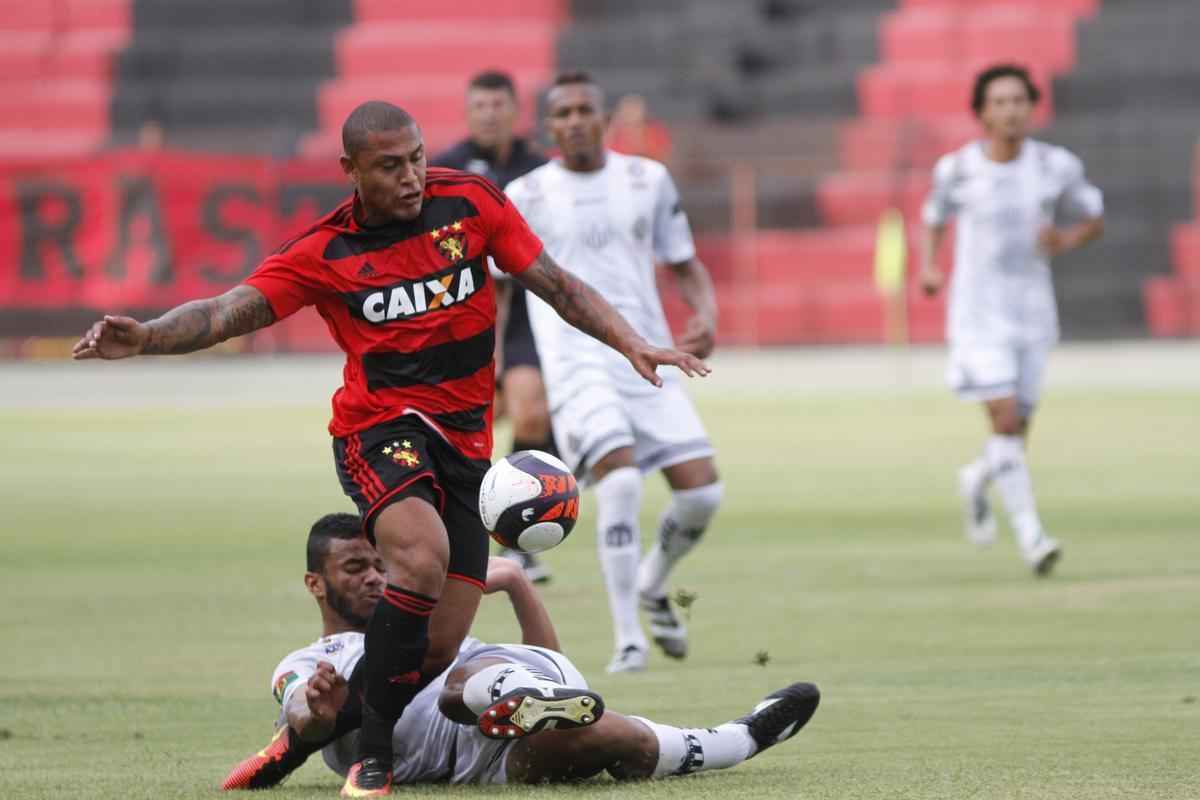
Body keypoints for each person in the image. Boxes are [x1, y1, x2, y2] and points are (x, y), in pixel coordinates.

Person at [72, 100, 709, 798]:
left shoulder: (470, 204)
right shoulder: (325, 250)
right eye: (389, 166)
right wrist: (151, 337)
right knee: (421, 556)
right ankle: (373, 759)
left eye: (415, 158)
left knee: (433, 650)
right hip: (378, 432)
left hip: (467, 449)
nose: (410, 177)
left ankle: (297, 742)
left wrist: (633, 342)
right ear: (350, 171)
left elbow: (554, 284)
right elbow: (228, 311)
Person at [221, 513, 821, 790]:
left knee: (610, 736)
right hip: (487, 761)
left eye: (382, 565)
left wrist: (516, 583)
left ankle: (740, 737)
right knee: (598, 732)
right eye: (356, 568)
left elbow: (565, 675)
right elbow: (297, 710)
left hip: (513, 696)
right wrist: (313, 713)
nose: (377, 578)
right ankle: (739, 738)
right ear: (315, 583)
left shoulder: (427, 618)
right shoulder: (307, 661)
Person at [504, 72, 723, 674]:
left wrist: (705, 313)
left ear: (604, 118)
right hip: (574, 363)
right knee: (621, 482)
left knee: (703, 493)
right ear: (548, 126)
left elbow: (684, 262)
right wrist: (498, 367)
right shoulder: (525, 194)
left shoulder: (646, 179)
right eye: (562, 112)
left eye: (584, 109)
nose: (574, 120)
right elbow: (500, 294)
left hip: (646, 354)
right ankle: (628, 637)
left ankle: (654, 584)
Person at [920, 64, 1104, 576]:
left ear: (1032, 106)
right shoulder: (957, 170)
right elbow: (933, 219)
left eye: (1019, 100)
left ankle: (978, 478)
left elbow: (1093, 216)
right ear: (981, 113)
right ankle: (1032, 537)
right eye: (999, 102)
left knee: (1016, 430)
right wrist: (931, 266)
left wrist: (1067, 240)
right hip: (978, 316)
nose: (1010, 111)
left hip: (1032, 313)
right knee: (1003, 418)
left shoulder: (1055, 166)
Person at [432, 69, 555, 584]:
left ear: (514, 109)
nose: (488, 113)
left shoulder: (541, 169)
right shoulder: (446, 168)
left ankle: (513, 529)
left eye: (497, 104)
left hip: (526, 307)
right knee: (463, 425)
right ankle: (450, 529)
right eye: (479, 104)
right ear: (468, 110)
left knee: (530, 409)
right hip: (458, 306)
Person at [607, 93, 673, 164]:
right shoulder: (613, 132)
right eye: (628, 108)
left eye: (635, 108)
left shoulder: (654, 131)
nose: (631, 113)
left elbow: (663, 155)